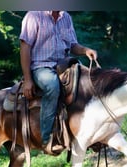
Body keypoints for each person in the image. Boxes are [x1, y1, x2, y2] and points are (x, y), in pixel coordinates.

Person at [19, 11, 97, 155]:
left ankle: (92, 133)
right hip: (41, 66)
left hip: (64, 64)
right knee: (52, 86)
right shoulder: (34, 16)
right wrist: (28, 79)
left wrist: (85, 50)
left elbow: (73, 45)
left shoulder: (65, 17)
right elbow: (25, 47)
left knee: (89, 81)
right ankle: (47, 138)